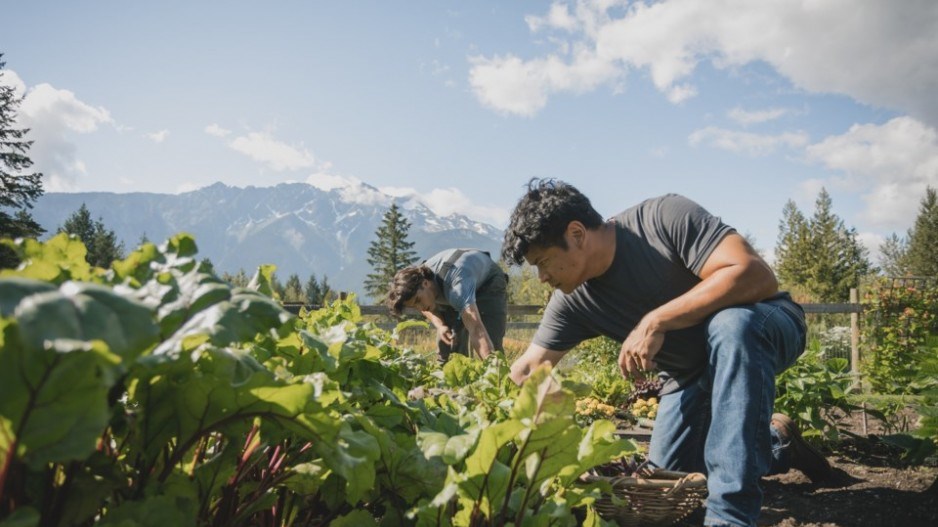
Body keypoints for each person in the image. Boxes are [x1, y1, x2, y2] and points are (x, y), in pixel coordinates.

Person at [501, 179, 831, 527]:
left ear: (577, 233)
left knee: (731, 325)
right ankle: (778, 443)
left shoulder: (660, 220)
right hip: (687, 376)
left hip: (763, 325)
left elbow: (755, 275)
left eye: (543, 261)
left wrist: (657, 320)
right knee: (660, 497)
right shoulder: (571, 301)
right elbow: (528, 370)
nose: (540, 277)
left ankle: (730, 517)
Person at [387, 248, 508, 361]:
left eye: (418, 301)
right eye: (414, 306)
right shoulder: (420, 281)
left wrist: (493, 370)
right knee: (449, 342)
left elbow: (476, 328)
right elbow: (425, 308)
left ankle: (499, 378)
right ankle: (454, 379)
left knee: (491, 342)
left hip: (488, 281)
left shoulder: (457, 289)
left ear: (425, 284)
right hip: (453, 285)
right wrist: (440, 325)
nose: (420, 308)